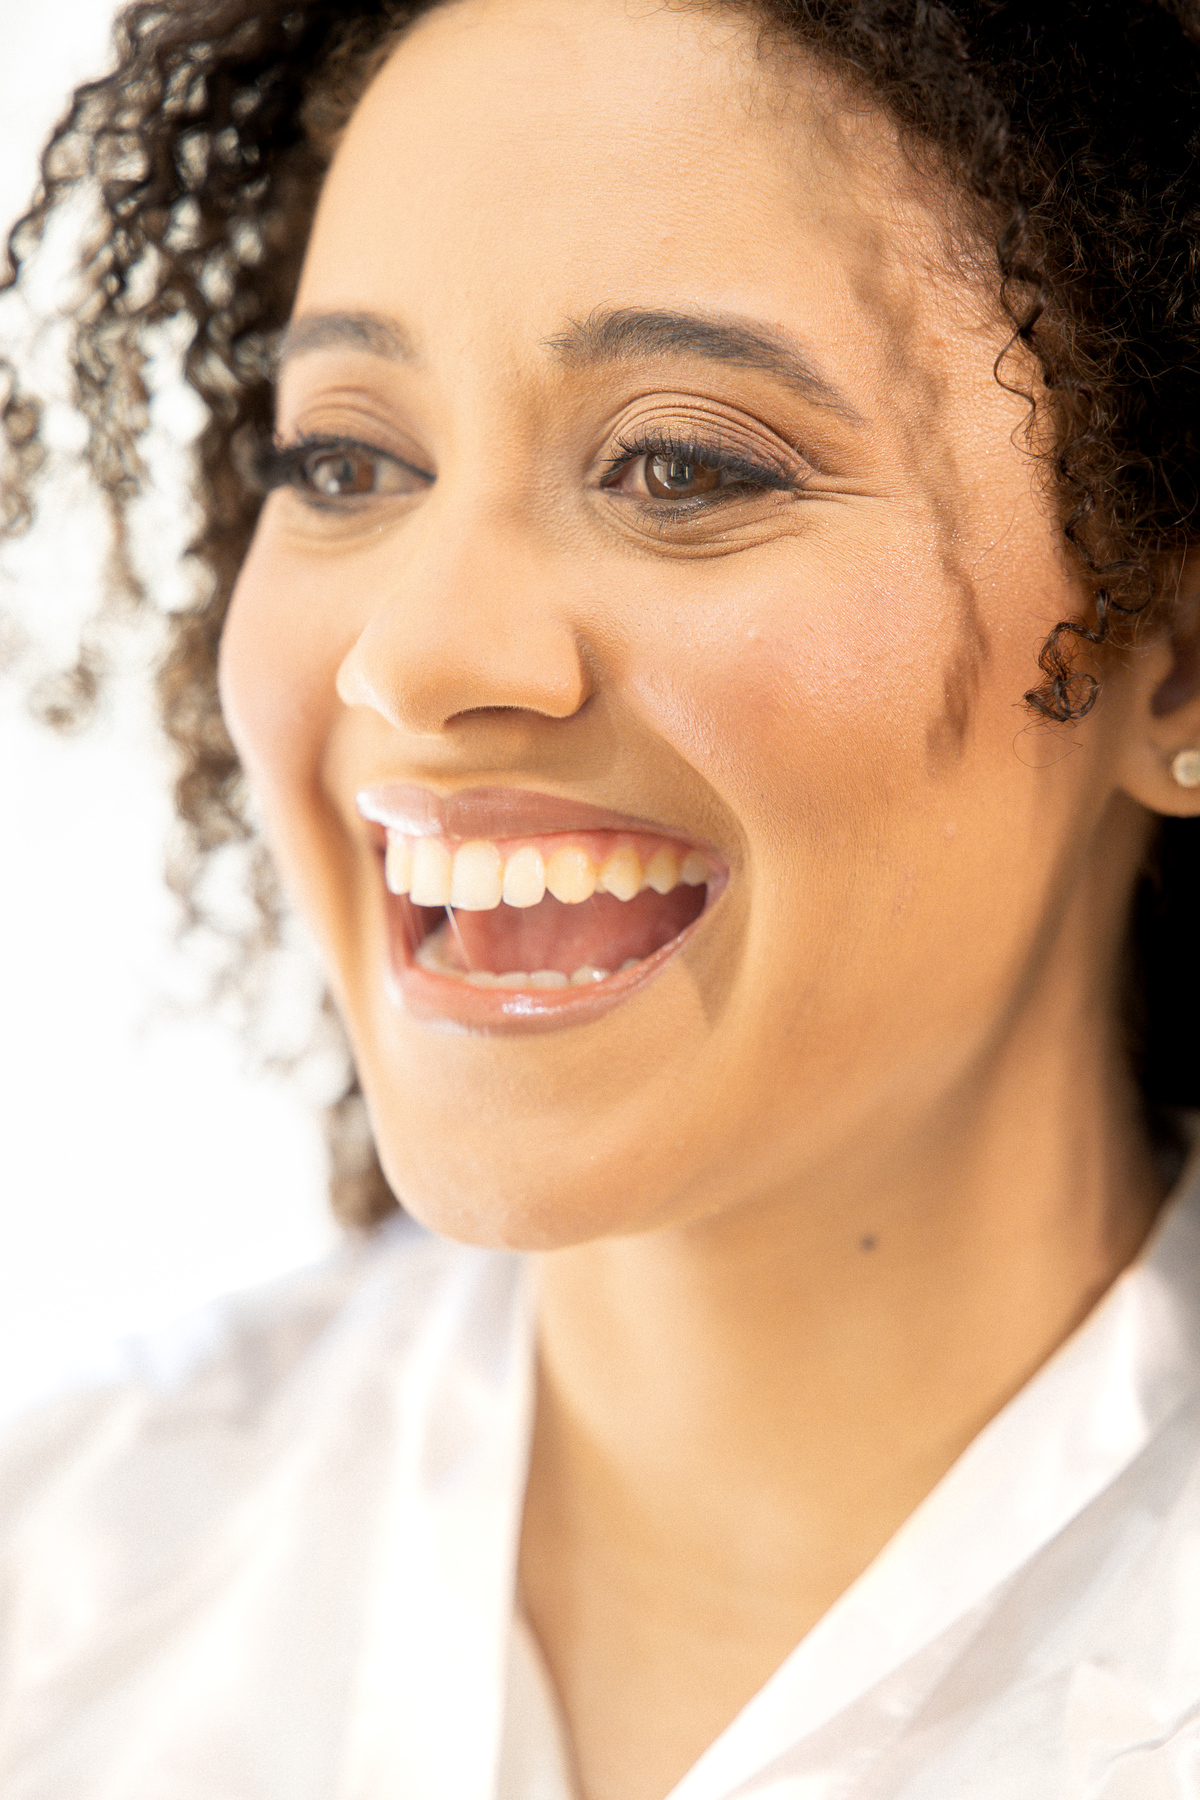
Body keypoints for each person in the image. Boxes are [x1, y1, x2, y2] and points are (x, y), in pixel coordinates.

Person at [4, 0, 1200, 1794]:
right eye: (346, 463)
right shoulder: (57, 1608)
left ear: (1170, 663)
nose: (415, 655)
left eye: (682, 466)